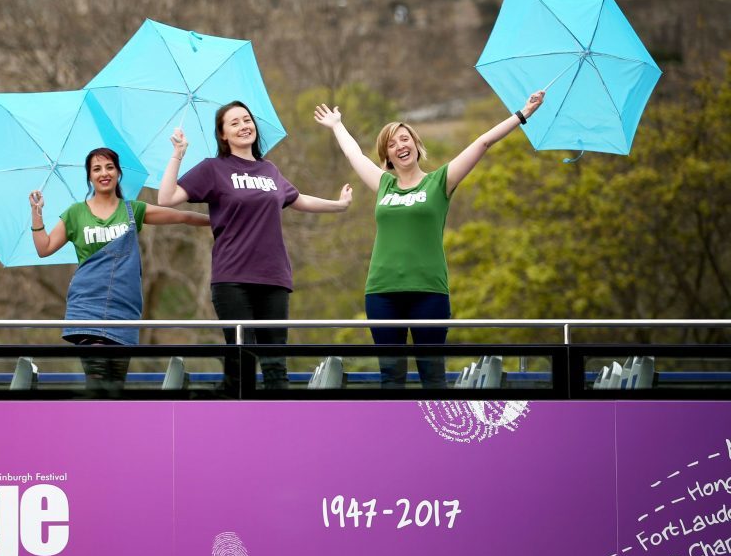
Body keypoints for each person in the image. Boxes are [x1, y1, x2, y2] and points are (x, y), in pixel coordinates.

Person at [313, 91, 545, 388]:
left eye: (404, 139)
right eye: (392, 144)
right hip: (382, 292)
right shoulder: (383, 185)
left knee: (432, 376)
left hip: (429, 293)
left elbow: (482, 142)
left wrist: (523, 113)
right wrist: (337, 125)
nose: (400, 146)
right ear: (387, 156)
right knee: (391, 378)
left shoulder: (440, 182)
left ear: (416, 144)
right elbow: (354, 154)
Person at [158, 100, 353, 390]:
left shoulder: (269, 170)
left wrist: (338, 205)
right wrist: (177, 155)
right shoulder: (213, 169)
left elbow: (298, 199)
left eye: (246, 120)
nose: (243, 126)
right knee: (242, 363)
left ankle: (281, 428)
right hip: (233, 278)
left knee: (276, 365)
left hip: (274, 277)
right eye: (234, 123)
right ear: (222, 135)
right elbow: (167, 198)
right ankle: (238, 428)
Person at [29, 146, 209, 392]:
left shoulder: (132, 210)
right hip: (87, 306)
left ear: (118, 173)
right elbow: (45, 248)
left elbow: (182, 217)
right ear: (89, 176)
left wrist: (221, 219)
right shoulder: (75, 213)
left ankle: (107, 427)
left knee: (115, 385)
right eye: (97, 168)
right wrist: (36, 215)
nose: (104, 173)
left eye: (109, 167)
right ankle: (95, 427)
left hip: (124, 309)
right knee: (99, 378)